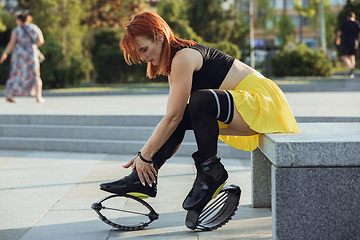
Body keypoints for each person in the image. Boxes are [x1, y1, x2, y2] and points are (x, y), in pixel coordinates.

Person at [100, 12, 299, 217]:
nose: (143, 58)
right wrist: (145, 159)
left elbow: (173, 116)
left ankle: (210, 172)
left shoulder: (184, 57)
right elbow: (173, 118)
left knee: (200, 101)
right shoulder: (175, 63)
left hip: (263, 102)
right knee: (186, 112)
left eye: (144, 49)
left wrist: (144, 154)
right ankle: (142, 179)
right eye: (138, 54)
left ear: (159, 36)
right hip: (243, 108)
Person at [0, 13, 45, 103]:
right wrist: (31, 45)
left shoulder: (16, 30)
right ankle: (38, 96)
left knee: (15, 74)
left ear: (19, 20)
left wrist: (5, 53)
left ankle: (9, 94)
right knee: (35, 74)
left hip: (19, 55)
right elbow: (41, 41)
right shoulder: (34, 28)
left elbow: (11, 44)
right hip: (31, 54)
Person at [336, 11, 360, 78]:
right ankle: (351, 72)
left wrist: (338, 38)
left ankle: (350, 67)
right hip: (354, 43)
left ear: (347, 17)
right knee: (352, 56)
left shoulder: (344, 22)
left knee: (343, 56)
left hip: (345, 42)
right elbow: (359, 33)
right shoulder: (356, 23)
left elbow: (339, 31)